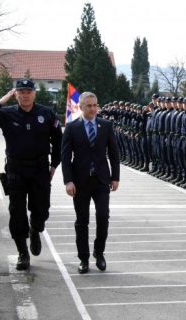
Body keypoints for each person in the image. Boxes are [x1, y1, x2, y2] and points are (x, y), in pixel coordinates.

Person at [0, 79, 62, 270]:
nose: (25, 95)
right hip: (16, 170)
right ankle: (23, 253)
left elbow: (58, 140)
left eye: (28, 92)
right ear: (15, 94)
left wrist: (54, 165)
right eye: (21, 92)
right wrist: (1, 101)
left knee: (41, 209)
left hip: (40, 169)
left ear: (34, 94)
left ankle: (35, 229)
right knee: (16, 212)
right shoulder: (6, 114)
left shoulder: (46, 113)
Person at [61, 92, 120, 274]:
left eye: (95, 105)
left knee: (103, 217)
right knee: (82, 221)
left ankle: (99, 252)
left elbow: (114, 153)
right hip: (80, 182)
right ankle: (84, 258)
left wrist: (115, 177)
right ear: (81, 107)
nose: (93, 109)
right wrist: (68, 181)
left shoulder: (106, 125)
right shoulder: (72, 128)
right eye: (89, 106)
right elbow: (65, 156)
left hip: (102, 180)